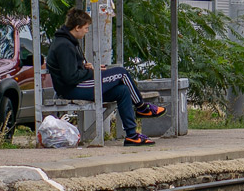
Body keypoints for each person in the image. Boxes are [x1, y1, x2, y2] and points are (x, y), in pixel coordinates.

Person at [46, 8, 165, 146]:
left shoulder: (69, 41)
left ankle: (132, 135)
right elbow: (70, 77)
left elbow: (71, 68)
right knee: (121, 73)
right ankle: (142, 107)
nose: (87, 31)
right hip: (72, 89)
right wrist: (93, 72)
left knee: (123, 91)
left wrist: (85, 67)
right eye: (86, 28)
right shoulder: (64, 45)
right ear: (77, 27)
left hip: (77, 84)